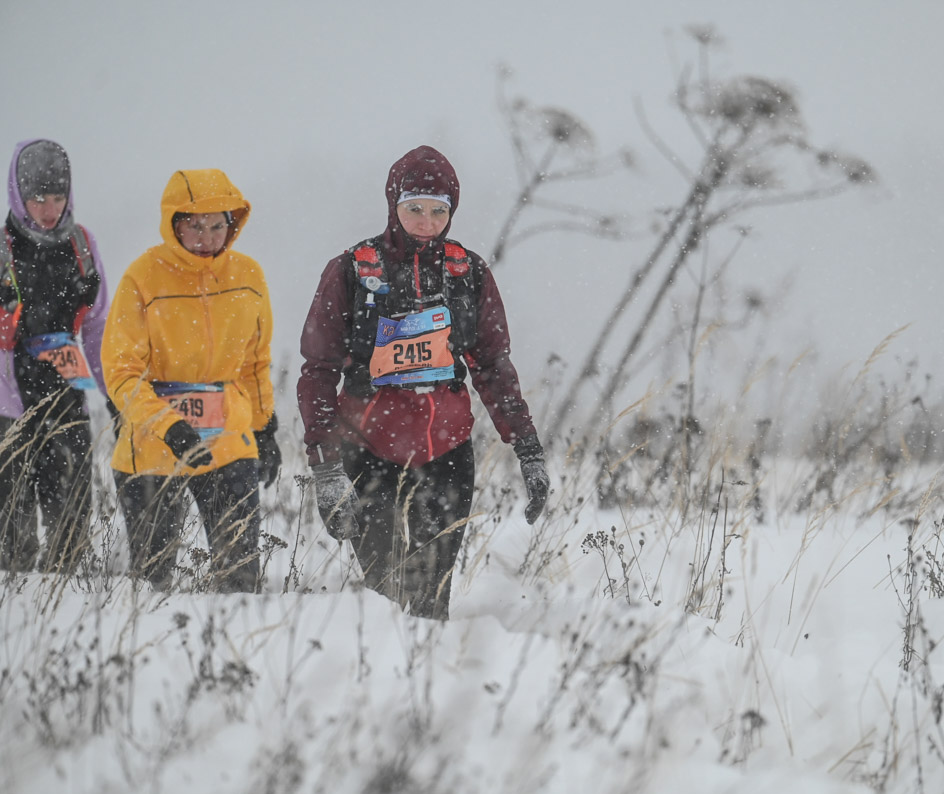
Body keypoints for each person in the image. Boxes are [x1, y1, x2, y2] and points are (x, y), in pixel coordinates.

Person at [297, 145, 549, 619]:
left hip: (446, 454)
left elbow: (493, 366)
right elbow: (318, 372)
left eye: (439, 211)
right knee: (384, 595)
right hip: (369, 451)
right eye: (415, 209)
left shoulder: (468, 273)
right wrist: (326, 468)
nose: (427, 221)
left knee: (432, 599)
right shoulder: (351, 270)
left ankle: (427, 688)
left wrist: (528, 449)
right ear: (394, 205)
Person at [102, 169, 279, 593]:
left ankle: (232, 654)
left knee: (240, 580)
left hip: (229, 442)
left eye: (218, 225)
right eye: (195, 226)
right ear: (174, 223)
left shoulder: (249, 277)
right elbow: (121, 373)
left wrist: (264, 429)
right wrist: (169, 427)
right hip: (152, 447)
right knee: (153, 584)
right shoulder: (142, 278)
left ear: (232, 224)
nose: (207, 237)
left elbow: (256, 363)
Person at [0, 139, 108, 574]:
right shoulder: (4, 249)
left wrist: (114, 396)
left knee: (71, 536)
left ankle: (68, 612)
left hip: (68, 398)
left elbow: (98, 328)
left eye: (58, 197)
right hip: (9, 406)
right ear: (17, 195)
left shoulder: (82, 244)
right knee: (13, 540)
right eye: (38, 198)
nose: (48, 209)